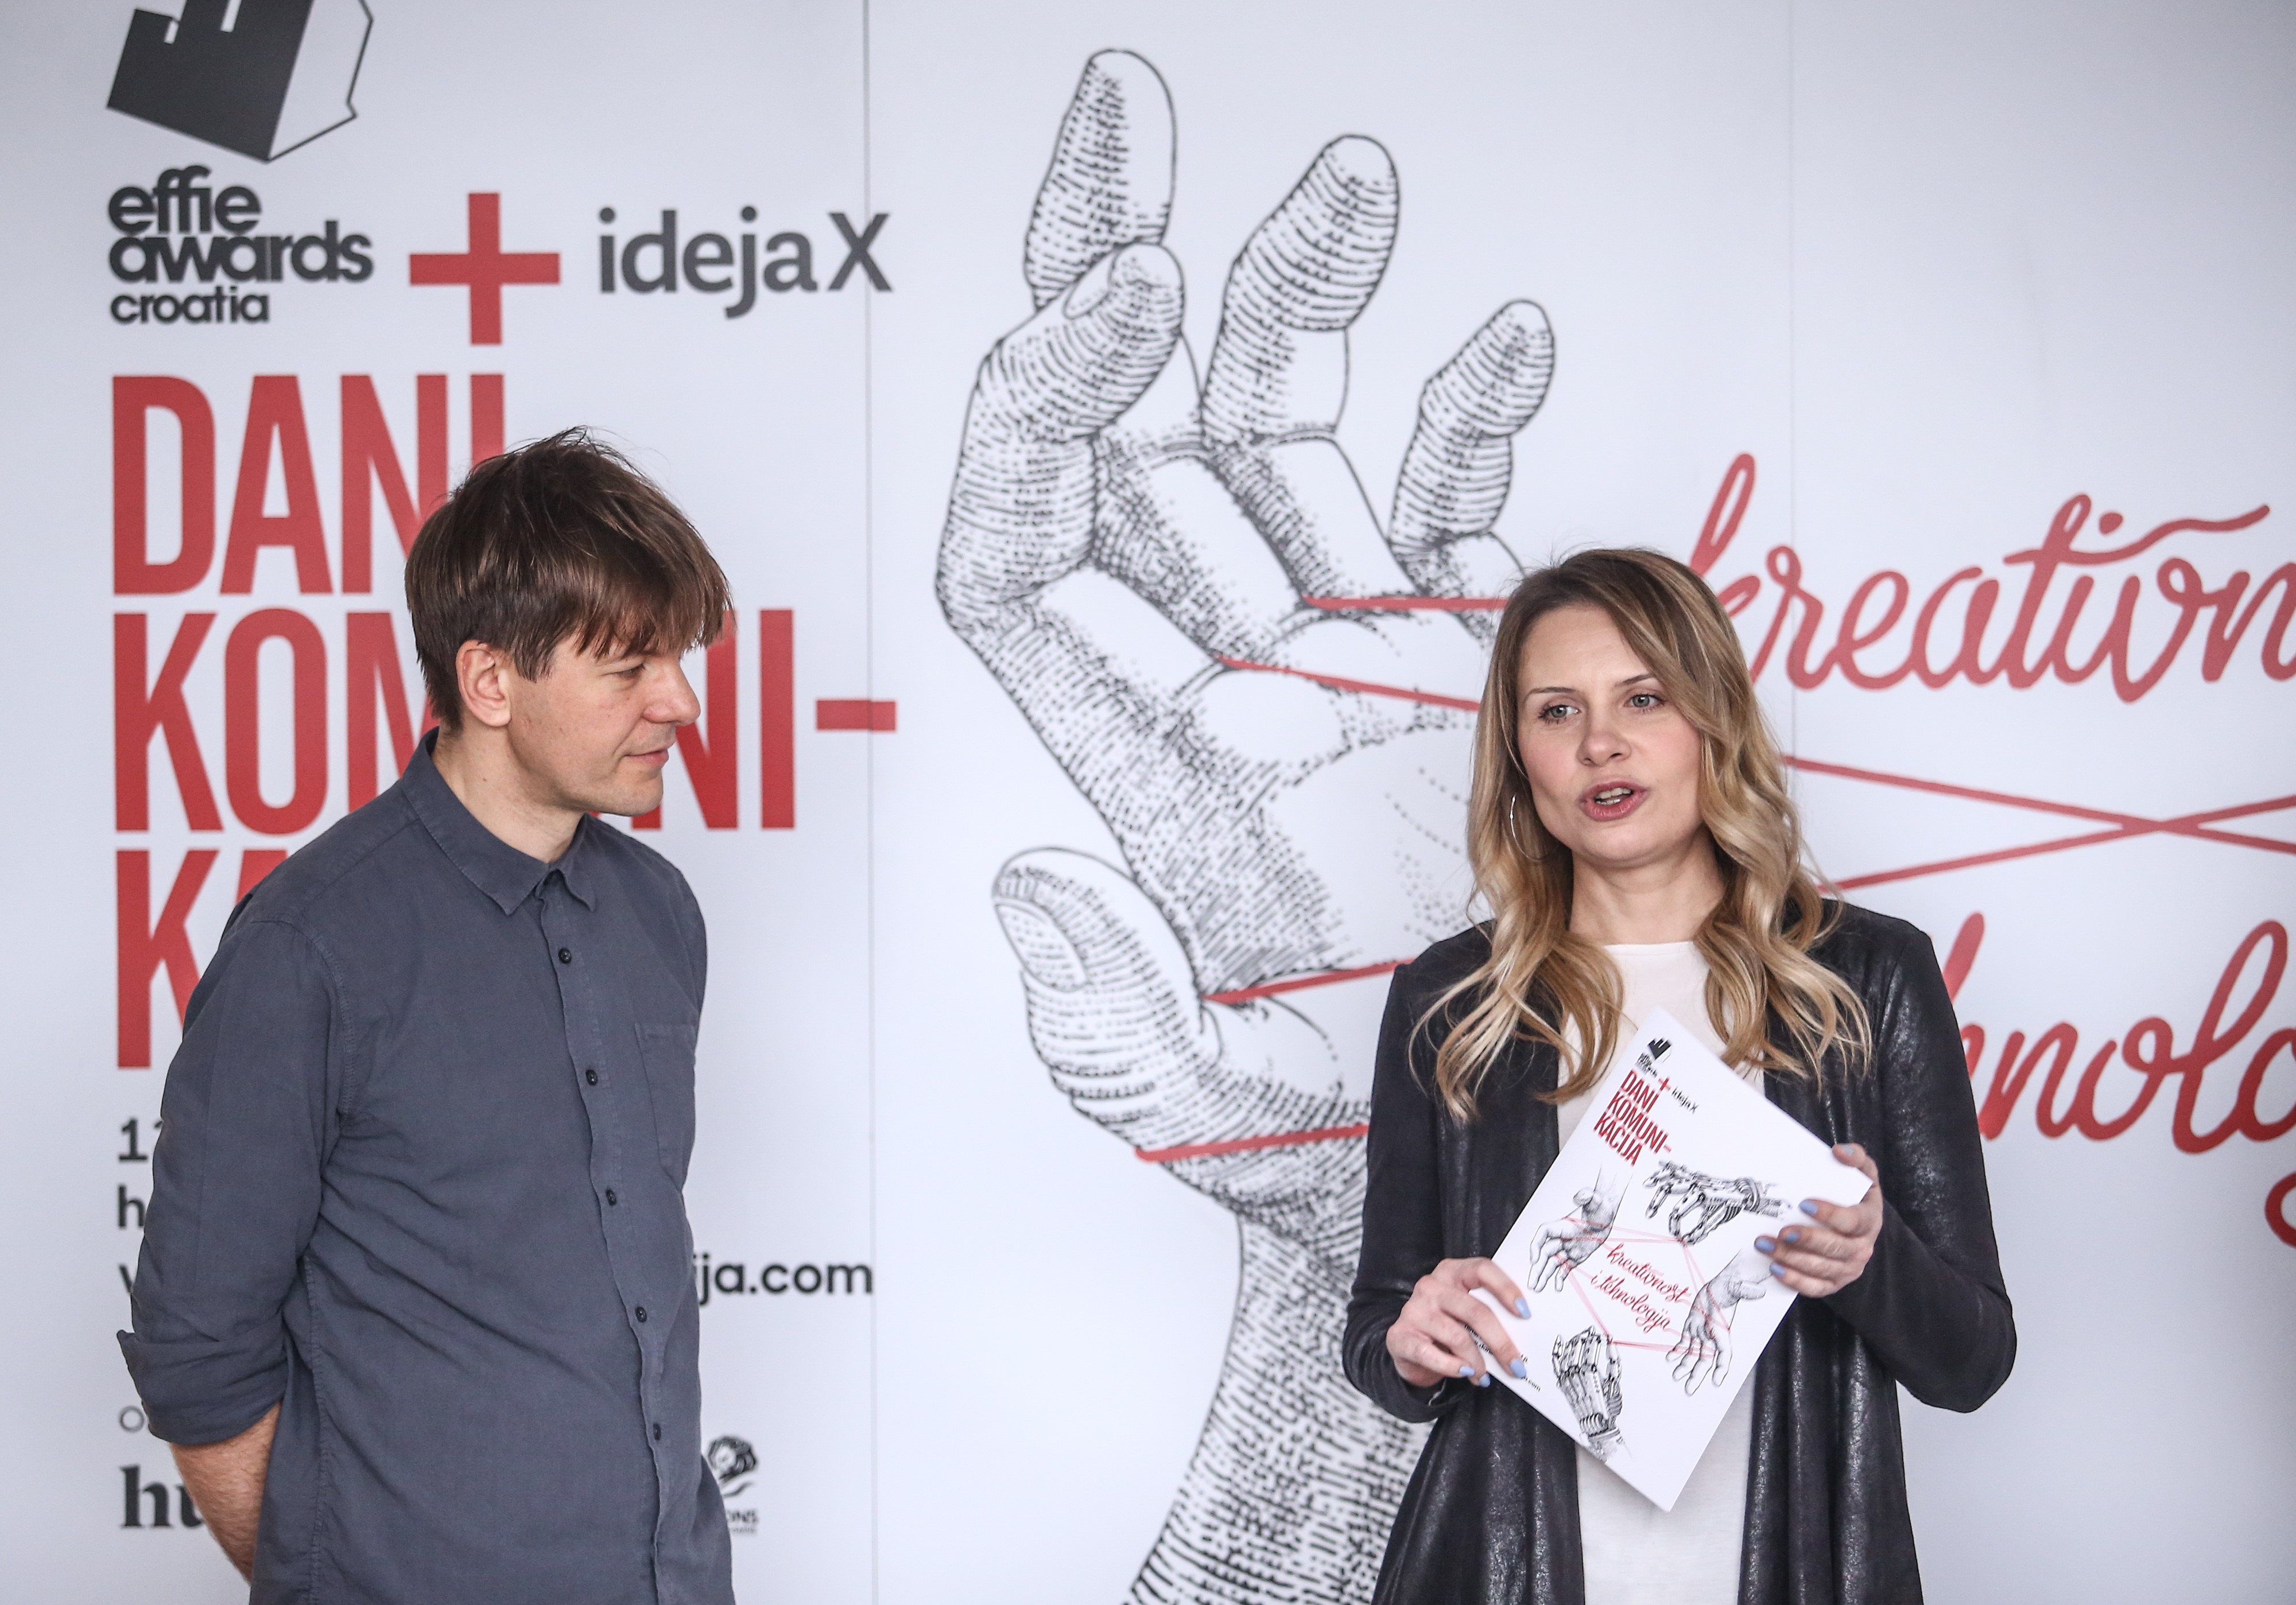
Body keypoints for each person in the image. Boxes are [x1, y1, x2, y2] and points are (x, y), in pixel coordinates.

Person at [119, 430, 736, 1604]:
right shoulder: (309, 945)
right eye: (629, 669)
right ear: (490, 681)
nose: (681, 701)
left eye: (678, 658)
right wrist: (333, 1574)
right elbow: (198, 1349)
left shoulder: (659, 913)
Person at [1343, 548, 2015, 1605]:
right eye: (1556, 711)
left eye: (1643, 697)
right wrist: (1415, 1339)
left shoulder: (1870, 975)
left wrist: (1868, 1258)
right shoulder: (1450, 999)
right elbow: (1379, 1335)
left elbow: (1973, 1361)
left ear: (1715, 719)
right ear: (1519, 755)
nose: (1599, 742)